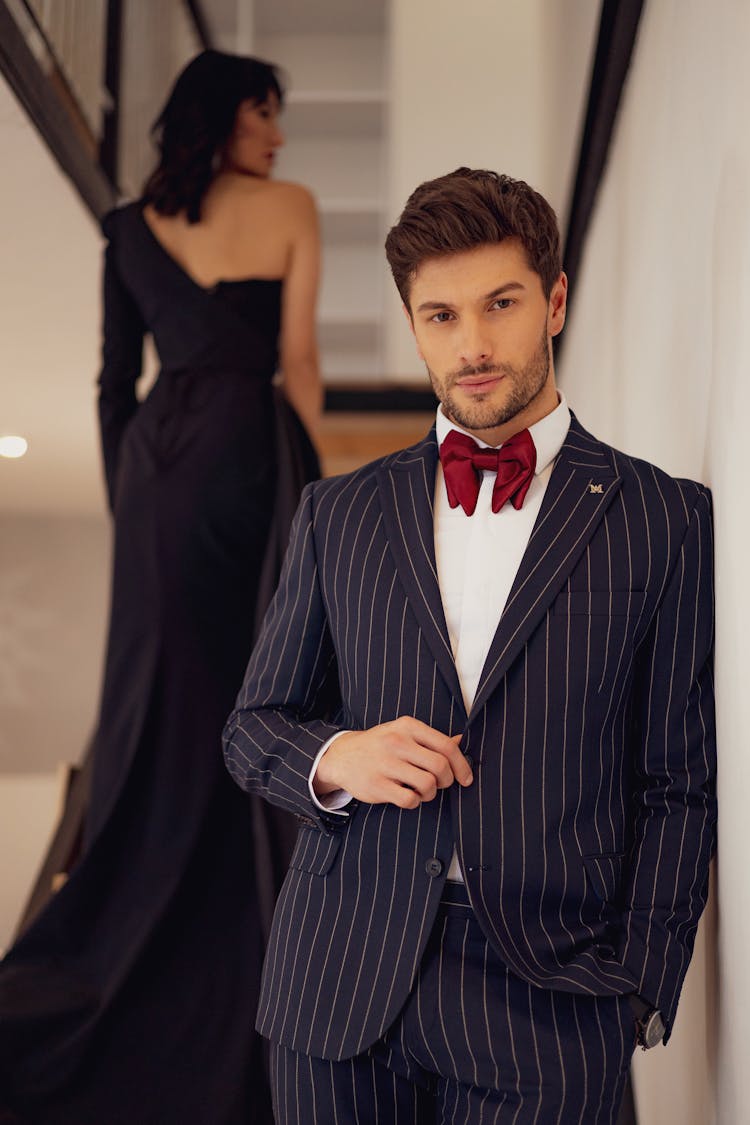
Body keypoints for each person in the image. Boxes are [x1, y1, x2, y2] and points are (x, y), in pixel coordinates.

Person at [222, 168, 717, 1123]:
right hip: (340, 981)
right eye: (441, 316)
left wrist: (641, 989)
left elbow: (678, 782)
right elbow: (252, 727)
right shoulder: (339, 512)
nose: (474, 345)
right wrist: (339, 757)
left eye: (502, 304)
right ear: (414, 326)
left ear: (556, 300)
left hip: (553, 1000)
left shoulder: (665, 517)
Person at [0, 49, 321, 1124]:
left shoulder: (130, 225)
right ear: (225, 117)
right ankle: (250, 939)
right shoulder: (292, 206)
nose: (278, 136)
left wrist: (130, 497)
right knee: (258, 688)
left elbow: (110, 382)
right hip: (241, 455)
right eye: (265, 115)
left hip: (153, 472)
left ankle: (127, 935)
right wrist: (319, 505)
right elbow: (301, 363)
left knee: (158, 706)